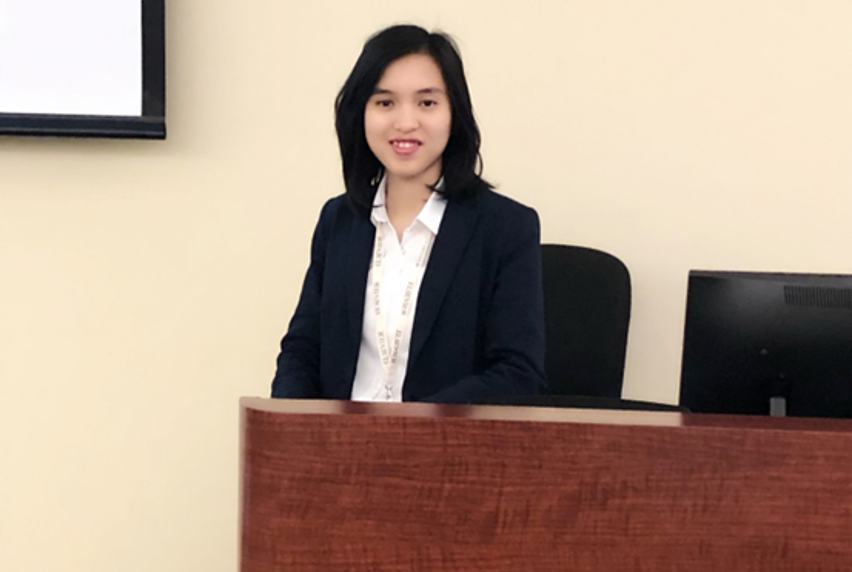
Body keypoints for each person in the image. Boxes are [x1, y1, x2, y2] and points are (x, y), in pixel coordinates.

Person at [271, 24, 545, 404]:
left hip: (448, 453)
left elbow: (517, 373)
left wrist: (412, 433)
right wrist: (295, 429)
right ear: (361, 113)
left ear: (454, 113)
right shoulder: (339, 220)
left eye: (427, 103)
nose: (405, 122)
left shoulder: (505, 228)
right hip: (339, 453)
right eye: (385, 102)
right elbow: (302, 350)